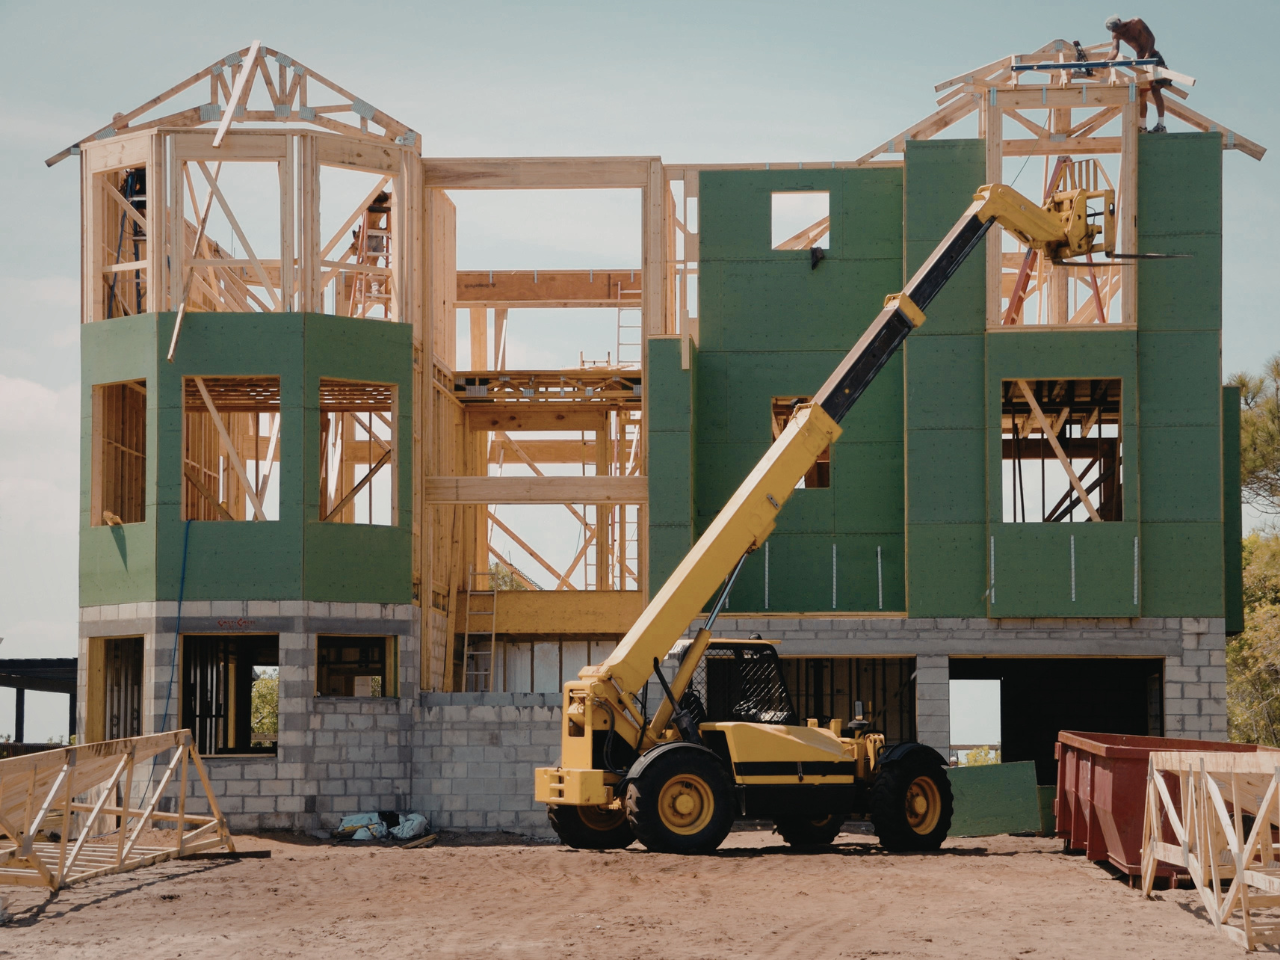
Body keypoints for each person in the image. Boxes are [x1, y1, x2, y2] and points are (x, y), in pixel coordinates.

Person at [1104, 15, 1170, 133]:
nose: (1119, 32)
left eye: (1119, 28)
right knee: (1142, 94)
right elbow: (1114, 51)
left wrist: (1148, 54)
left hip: (1153, 57)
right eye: (1116, 31)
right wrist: (1106, 62)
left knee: (1156, 89)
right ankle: (1142, 126)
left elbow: (1151, 38)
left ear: (1120, 22)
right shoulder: (1116, 34)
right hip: (1141, 60)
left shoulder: (1136, 22)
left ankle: (1161, 125)